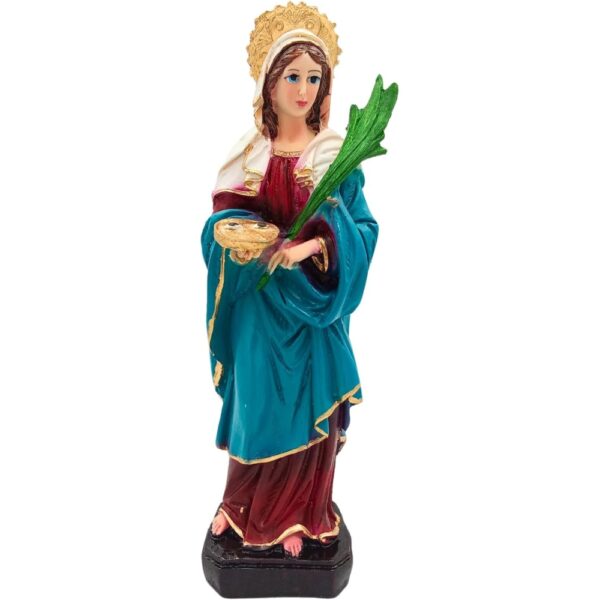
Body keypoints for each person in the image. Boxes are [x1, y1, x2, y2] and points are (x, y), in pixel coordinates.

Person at [200, 6, 378, 558]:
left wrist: (312, 246)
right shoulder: (249, 154)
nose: (304, 91)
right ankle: (241, 504)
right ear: (269, 83)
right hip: (261, 305)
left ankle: (300, 513)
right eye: (293, 76)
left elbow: (363, 230)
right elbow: (220, 224)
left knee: (304, 409)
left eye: (314, 78)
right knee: (254, 405)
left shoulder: (333, 157)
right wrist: (239, 240)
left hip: (312, 309)